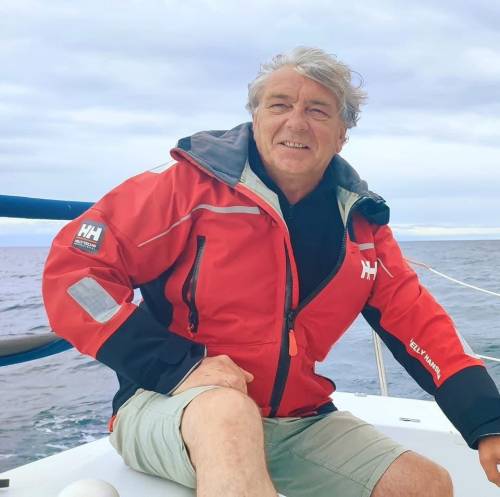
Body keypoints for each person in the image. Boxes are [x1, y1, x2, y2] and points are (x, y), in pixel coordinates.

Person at [43, 47, 500, 497]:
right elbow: (75, 273)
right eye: (279, 105)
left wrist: (487, 421)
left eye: (317, 110)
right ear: (256, 117)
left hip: (294, 419)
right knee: (227, 415)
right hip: (167, 401)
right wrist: (175, 366)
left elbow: (415, 321)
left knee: (423, 485)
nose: (296, 123)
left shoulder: (361, 226)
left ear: (342, 134)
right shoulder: (184, 188)